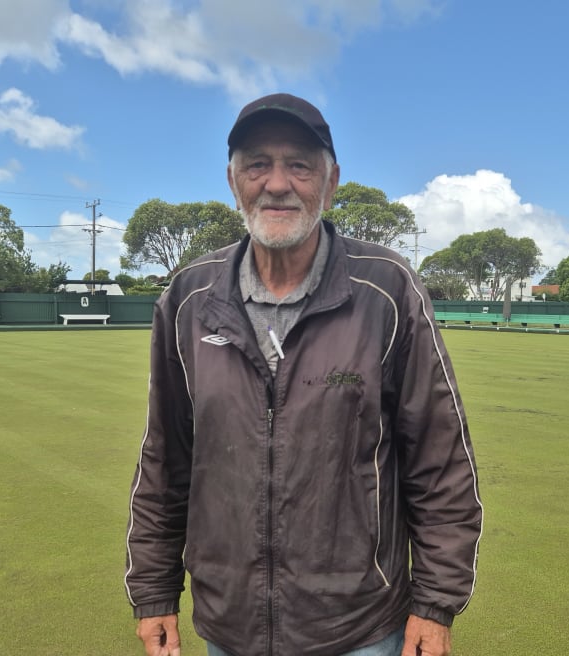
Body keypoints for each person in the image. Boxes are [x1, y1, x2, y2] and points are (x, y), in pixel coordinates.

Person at [125, 93, 483, 656]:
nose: (276, 183)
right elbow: (166, 459)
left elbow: (440, 462)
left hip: (360, 626)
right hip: (230, 626)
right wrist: (154, 592)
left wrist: (435, 605)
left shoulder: (387, 289)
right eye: (257, 164)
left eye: (299, 165)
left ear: (331, 180)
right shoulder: (188, 297)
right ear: (232, 179)